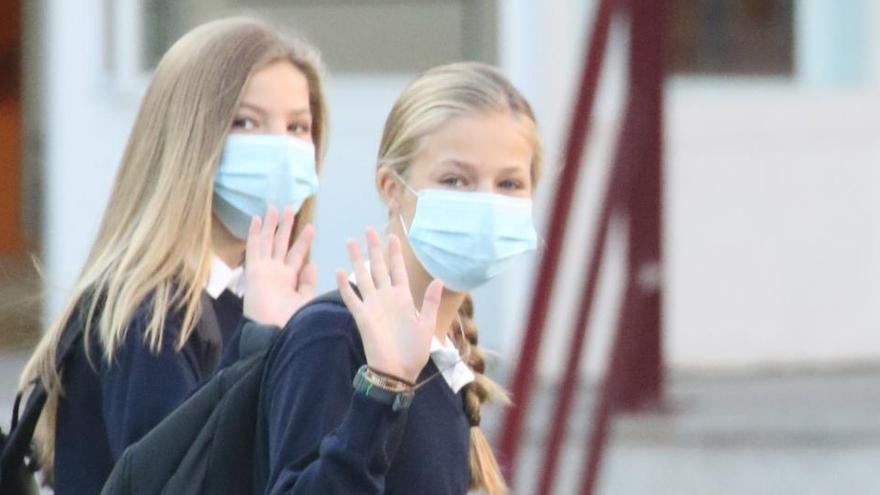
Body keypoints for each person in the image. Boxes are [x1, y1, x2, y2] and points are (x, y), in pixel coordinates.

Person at [18, 17, 327, 493]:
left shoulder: (250, 299)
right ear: (188, 136)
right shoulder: (150, 311)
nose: (280, 147)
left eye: (298, 126)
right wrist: (261, 342)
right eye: (245, 121)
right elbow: (177, 480)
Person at [254, 62, 542, 494]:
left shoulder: (445, 359)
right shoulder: (334, 337)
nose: (485, 203)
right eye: (455, 180)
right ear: (391, 187)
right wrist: (384, 390)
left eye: (509, 183)